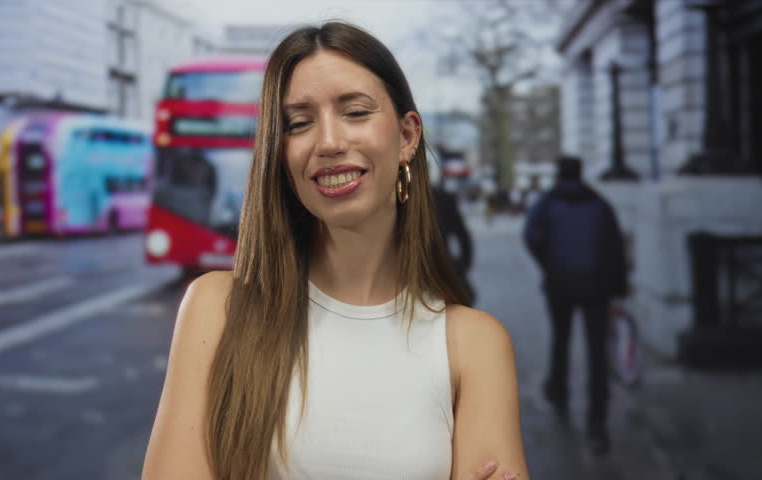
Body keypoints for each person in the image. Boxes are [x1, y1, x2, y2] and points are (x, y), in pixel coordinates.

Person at [143, 22, 528, 480]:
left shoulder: (475, 345)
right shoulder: (216, 309)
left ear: (407, 137)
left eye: (356, 112)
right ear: (281, 156)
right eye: (299, 123)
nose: (328, 142)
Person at [522, 155, 628, 456]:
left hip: (560, 283)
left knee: (561, 338)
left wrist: (549, 263)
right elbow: (614, 248)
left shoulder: (547, 203)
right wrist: (617, 289)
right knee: (597, 351)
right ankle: (597, 423)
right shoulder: (600, 204)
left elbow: (531, 236)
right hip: (596, 285)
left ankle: (559, 392)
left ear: (558, 173)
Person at [430, 159, 476, 305]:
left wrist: (462, 265)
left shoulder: (396, 199)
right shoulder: (443, 198)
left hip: (438, 270)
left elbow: (463, 236)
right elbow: (463, 236)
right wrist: (463, 264)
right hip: (441, 269)